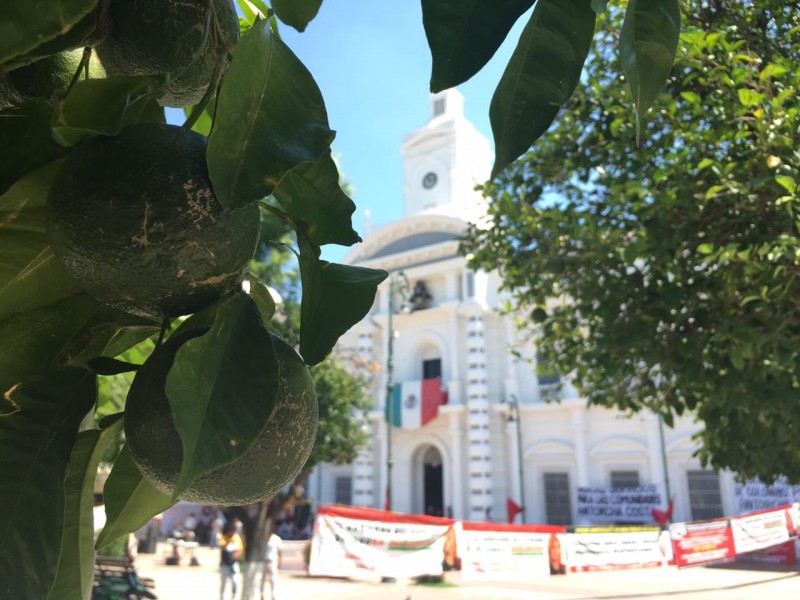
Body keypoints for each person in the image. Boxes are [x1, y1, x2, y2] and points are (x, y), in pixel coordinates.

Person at [219, 522, 244, 600]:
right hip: (224, 564)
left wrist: (235, 556)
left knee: (235, 582)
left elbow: (241, 549)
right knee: (224, 583)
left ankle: (234, 597)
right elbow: (222, 547)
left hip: (233, 564)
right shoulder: (224, 538)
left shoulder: (237, 538)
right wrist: (228, 541)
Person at [261, 529, 283, 600]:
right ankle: (262, 594)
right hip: (263, 561)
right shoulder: (263, 538)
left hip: (272, 561)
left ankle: (273, 596)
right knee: (262, 580)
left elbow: (280, 551)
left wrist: (280, 561)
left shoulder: (276, 539)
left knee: (273, 579)